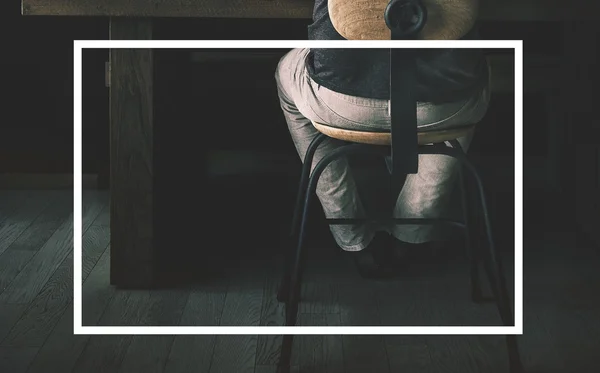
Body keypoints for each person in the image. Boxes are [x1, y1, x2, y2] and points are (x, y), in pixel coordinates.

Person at [275, 0, 490, 278]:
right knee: (469, 87)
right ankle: (414, 230)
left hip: (342, 101)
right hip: (441, 106)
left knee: (286, 73)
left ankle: (350, 232)